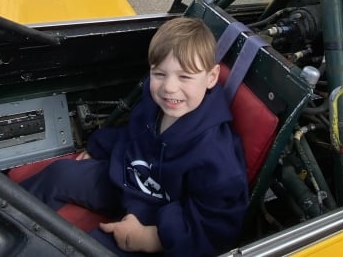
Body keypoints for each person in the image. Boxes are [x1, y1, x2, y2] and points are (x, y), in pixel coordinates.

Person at [21, 17, 249, 256]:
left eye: (185, 77)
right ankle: (2, 218)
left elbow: (215, 228)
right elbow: (133, 134)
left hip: (159, 220)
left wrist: (153, 238)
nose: (169, 87)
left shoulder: (217, 157)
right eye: (160, 73)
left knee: (85, 250)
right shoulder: (155, 103)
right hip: (125, 180)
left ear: (211, 77)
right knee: (60, 174)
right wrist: (101, 146)